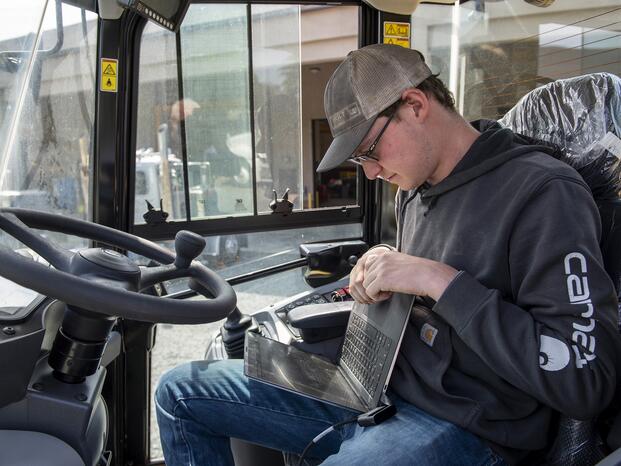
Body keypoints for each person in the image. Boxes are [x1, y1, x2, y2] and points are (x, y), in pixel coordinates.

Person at [155, 44, 621, 465]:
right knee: (180, 390)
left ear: (415, 105)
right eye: (360, 160)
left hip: (468, 423)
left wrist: (440, 281)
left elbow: (584, 380)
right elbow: (421, 282)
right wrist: (384, 270)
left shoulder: (542, 193)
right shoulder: (415, 191)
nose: (373, 172)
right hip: (378, 387)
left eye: (370, 150)